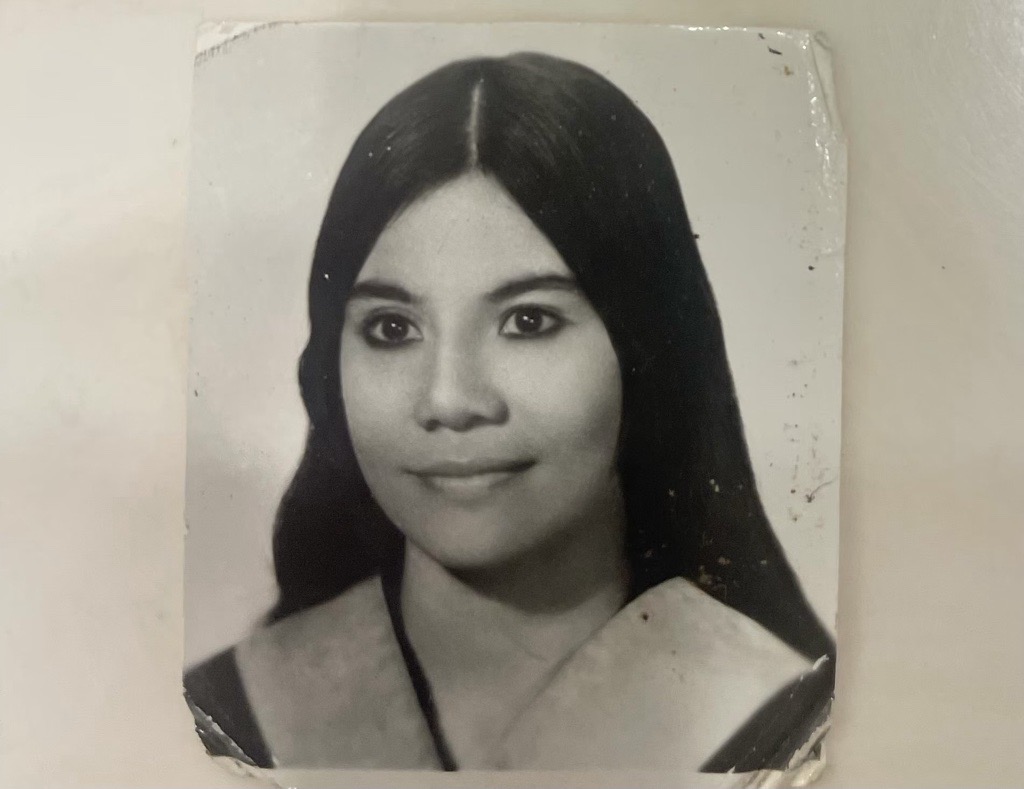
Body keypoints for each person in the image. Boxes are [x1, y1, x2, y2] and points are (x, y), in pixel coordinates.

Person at [185, 51, 835, 773]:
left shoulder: (787, 722)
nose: (450, 399)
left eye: (528, 321)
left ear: (647, 346)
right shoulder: (227, 713)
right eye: (392, 329)